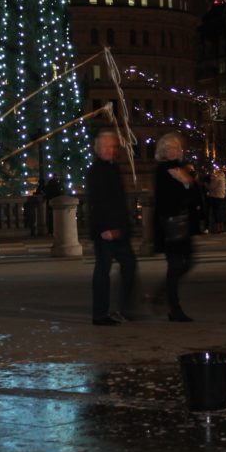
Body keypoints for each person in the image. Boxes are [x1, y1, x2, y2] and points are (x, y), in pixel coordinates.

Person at [86, 130, 137, 326]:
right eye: (106, 146)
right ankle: (100, 314)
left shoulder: (113, 168)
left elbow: (117, 201)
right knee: (103, 271)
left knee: (128, 266)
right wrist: (106, 228)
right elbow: (98, 203)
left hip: (118, 229)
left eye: (113, 146)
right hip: (106, 231)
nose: (111, 149)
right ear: (98, 149)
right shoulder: (96, 171)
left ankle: (119, 309)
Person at [153, 132, 196, 322]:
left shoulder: (182, 168)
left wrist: (187, 181)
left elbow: (195, 195)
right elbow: (166, 200)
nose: (174, 151)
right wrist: (184, 182)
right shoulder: (163, 170)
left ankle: (162, 295)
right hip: (171, 227)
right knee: (176, 265)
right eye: (169, 148)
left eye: (176, 148)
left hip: (184, 225)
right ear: (163, 151)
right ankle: (174, 307)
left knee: (187, 262)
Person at [206, 167, 226, 233]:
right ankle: (222, 227)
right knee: (220, 212)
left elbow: (211, 186)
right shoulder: (223, 178)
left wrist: (206, 184)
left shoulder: (217, 178)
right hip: (221, 196)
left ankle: (218, 228)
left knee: (216, 212)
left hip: (216, 196)